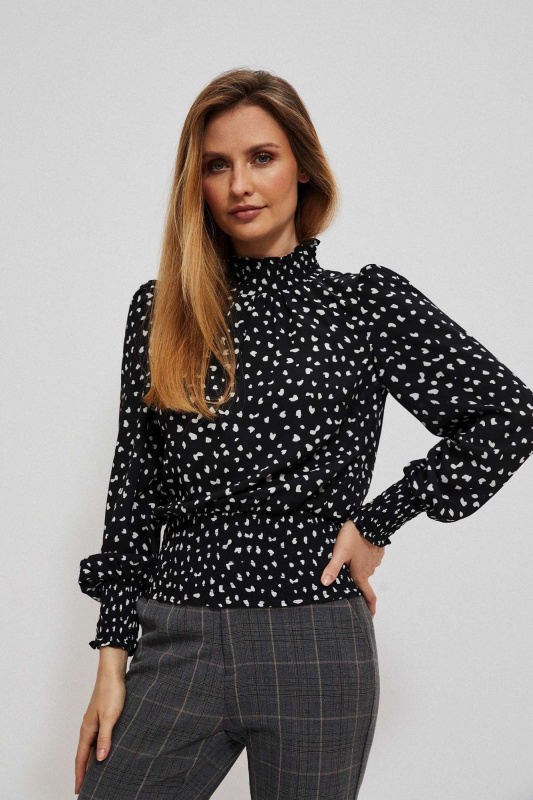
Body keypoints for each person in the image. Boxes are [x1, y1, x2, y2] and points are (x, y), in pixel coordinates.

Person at [75, 68, 533, 799]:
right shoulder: (162, 311)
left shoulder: (364, 305)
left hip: (314, 643)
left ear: (303, 168)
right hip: (179, 638)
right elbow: (135, 489)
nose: (239, 185)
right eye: (217, 165)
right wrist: (111, 660)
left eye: (262, 157)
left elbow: (507, 414)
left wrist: (378, 522)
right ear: (197, 184)